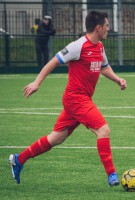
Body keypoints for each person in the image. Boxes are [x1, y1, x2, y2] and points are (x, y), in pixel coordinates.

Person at [9, 11, 127, 187]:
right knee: (103, 130)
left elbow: (104, 67)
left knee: (55, 138)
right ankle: (112, 175)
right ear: (98, 27)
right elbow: (53, 62)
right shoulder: (77, 46)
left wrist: (117, 79)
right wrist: (37, 82)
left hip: (82, 99)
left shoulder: (99, 47)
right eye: (107, 25)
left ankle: (19, 159)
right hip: (76, 99)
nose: (109, 28)